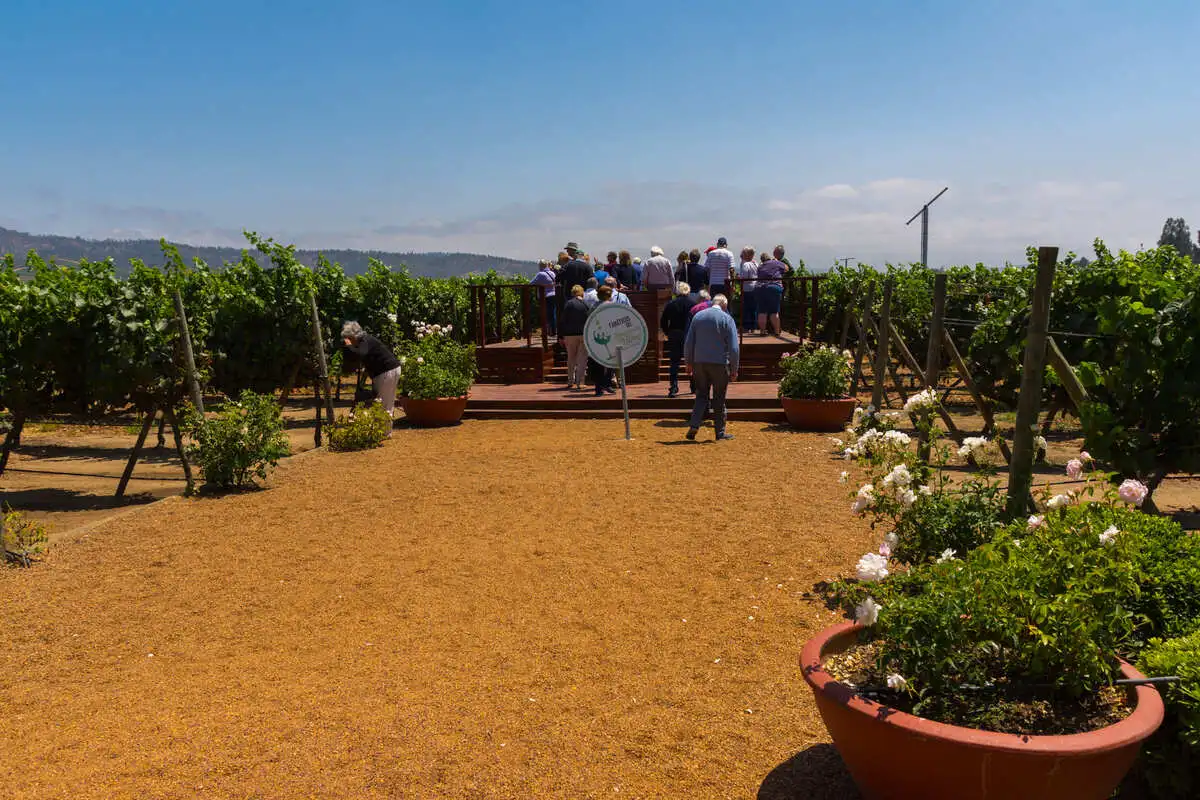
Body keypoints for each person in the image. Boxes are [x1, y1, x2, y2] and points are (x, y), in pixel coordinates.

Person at [683, 295, 739, 441]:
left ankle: (694, 425)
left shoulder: (698, 317)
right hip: (719, 363)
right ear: (724, 305)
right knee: (719, 397)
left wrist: (688, 362)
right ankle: (719, 432)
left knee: (701, 395)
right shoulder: (727, 319)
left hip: (699, 363)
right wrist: (734, 369)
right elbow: (734, 348)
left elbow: (689, 342)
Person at [340, 321, 402, 424]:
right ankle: (384, 431)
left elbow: (360, 354)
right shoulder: (366, 339)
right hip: (389, 370)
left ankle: (384, 433)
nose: (350, 341)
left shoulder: (364, 341)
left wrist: (349, 346)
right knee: (385, 403)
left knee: (383, 404)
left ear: (354, 336)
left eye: (350, 338)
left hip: (386, 371)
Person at [660, 281, 694, 398]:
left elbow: (663, 321)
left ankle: (673, 387)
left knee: (674, 362)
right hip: (689, 334)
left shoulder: (671, 304)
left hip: (674, 333)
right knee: (690, 360)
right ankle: (693, 385)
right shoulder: (692, 304)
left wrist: (667, 332)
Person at [558, 285, 591, 390]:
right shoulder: (586, 304)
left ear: (572, 293)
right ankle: (580, 382)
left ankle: (570, 381)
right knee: (582, 359)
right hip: (583, 334)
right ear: (582, 293)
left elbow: (563, 320)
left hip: (569, 335)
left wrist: (560, 335)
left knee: (571, 358)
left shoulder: (569, 304)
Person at [588, 286, 618, 396]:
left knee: (598, 363)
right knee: (611, 362)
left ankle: (599, 387)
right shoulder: (611, 306)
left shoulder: (593, 306)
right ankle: (606, 383)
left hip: (596, 337)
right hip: (609, 337)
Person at [756, 250, 787, 336]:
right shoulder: (775, 263)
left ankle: (762, 331)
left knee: (762, 311)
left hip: (760, 288)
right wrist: (777, 261)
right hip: (774, 287)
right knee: (774, 311)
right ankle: (777, 332)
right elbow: (786, 268)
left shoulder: (760, 267)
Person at [530, 260, 558, 336]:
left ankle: (547, 332)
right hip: (554, 295)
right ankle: (553, 331)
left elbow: (531, 283)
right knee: (552, 314)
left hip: (545, 297)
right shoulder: (552, 273)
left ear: (540, 266)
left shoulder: (540, 274)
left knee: (545, 314)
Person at [738, 246, 758, 332]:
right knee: (753, 308)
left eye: (743, 253)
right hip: (755, 288)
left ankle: (746, 327)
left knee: (746, 308)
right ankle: (753, 326)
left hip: (747, 288)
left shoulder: (746, 264)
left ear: (747, 254)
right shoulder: (756, 263)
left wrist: (739, 277)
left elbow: (744, 276)